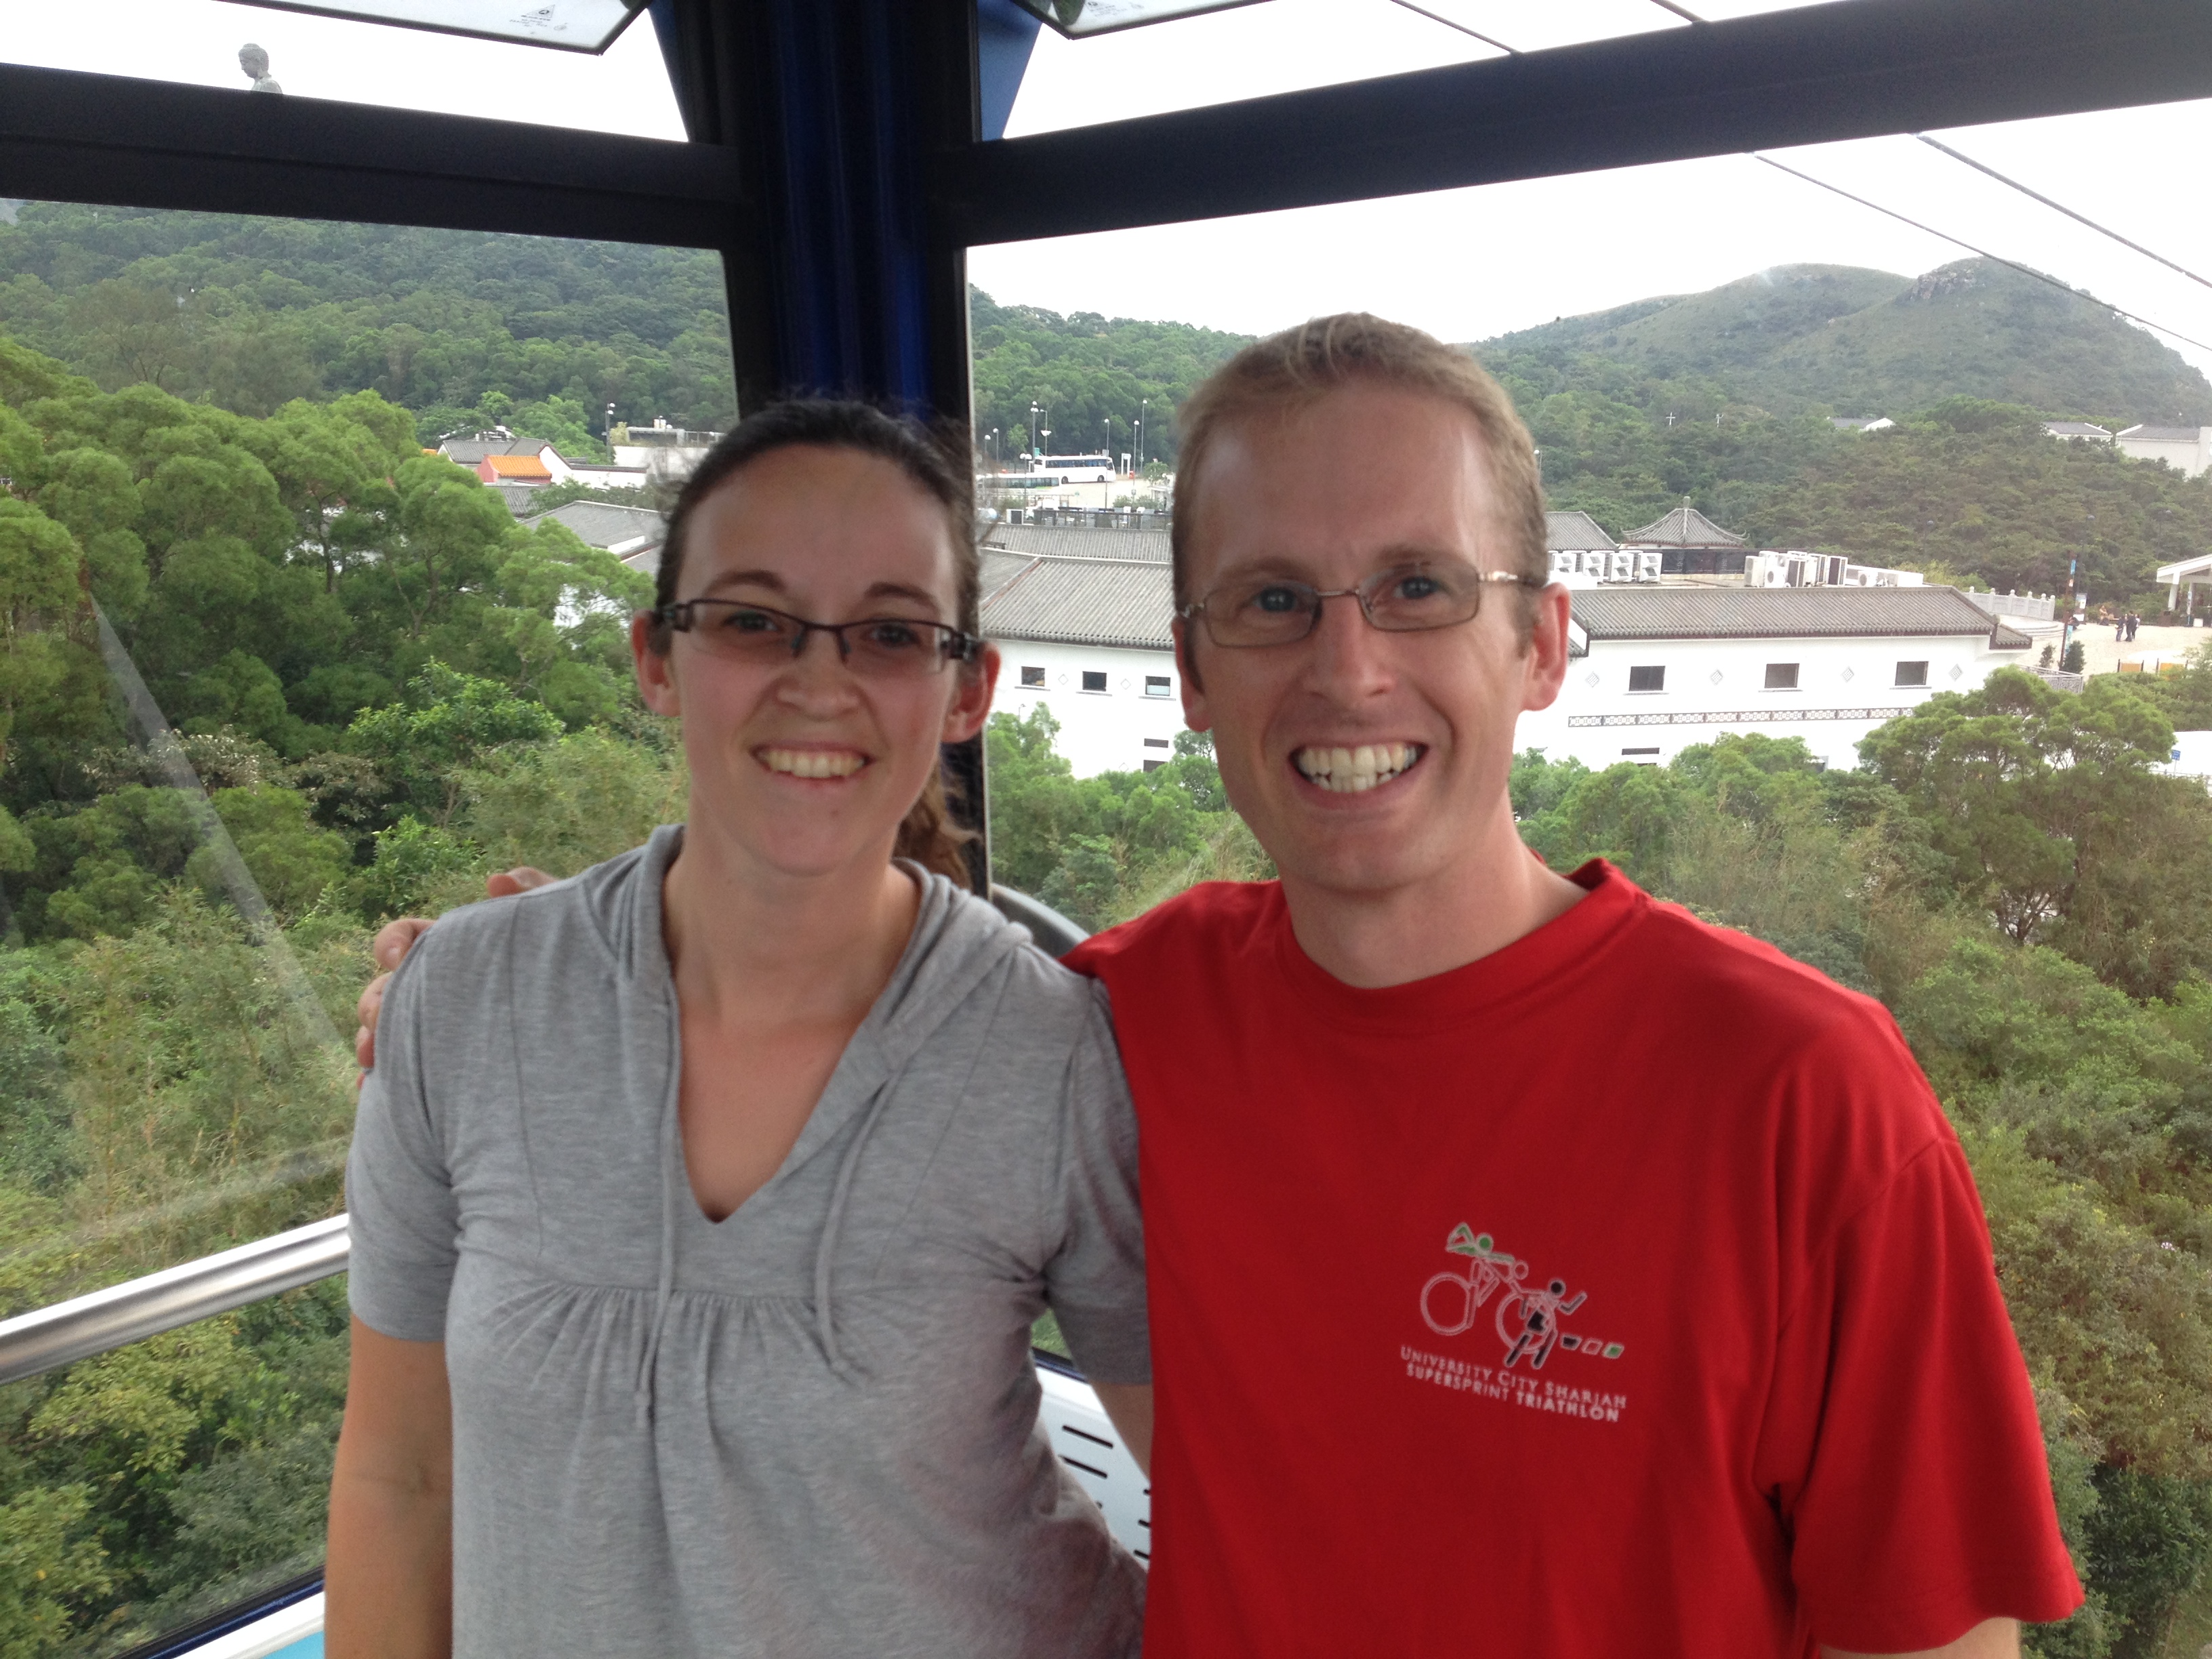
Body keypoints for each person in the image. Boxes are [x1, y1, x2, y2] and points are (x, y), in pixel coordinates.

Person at [363, 322, 2083, 1657]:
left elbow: (1928, 1631)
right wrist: (500, 979)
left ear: (1543, 642)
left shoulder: (1802, 1093)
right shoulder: (1140, 1013)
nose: (1349, 666)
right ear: (1192, 668)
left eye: (1418, 587)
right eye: (1273, 601)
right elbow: (808, 946)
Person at [331, 401, 1151, 1659]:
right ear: (657, 657)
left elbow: (1229, 1487)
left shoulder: (1052, 1056)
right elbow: (403, 1476)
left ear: (966, 691)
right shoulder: (468, 1004)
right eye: (753, 621)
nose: (818, 683)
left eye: (892, 633)